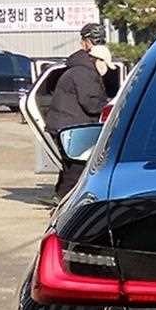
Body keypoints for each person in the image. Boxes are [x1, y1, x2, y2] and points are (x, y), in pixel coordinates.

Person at [45, 23, 110, 200]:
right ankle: (66, 200)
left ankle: (60, 196)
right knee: (77, 166)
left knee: (71, 165)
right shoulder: (84, 72)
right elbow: (91, 103)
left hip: (65, 124)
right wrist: (110, 107)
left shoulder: (80, 68)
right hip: (70, 127)